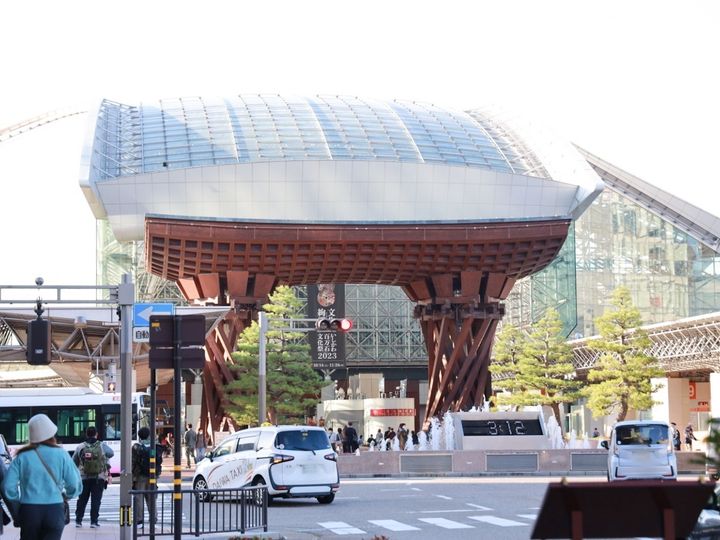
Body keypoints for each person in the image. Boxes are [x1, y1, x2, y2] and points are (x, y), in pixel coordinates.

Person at [2, 413, 82, 540]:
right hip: (55, 510)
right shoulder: (62, 454)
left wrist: (17, 506)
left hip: (29, 511)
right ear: (52, 433)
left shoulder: (22, 456)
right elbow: (75, 484)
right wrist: (67, 496)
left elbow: (8, 487)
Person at [71, 425, 114, 528]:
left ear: (86, 434)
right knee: (96, 501)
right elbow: (111, 453)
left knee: (82, 500)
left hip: (84, 477)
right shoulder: (102, 445)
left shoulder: (80, 446)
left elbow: (74, 462)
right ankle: (94, 522)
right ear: (96, 434)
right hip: (98, 478)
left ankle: (78, 521)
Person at [132, 427, 163, 526]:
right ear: (149, 435)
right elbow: (159, 460)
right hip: (153, 476)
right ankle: (153, 519)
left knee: (139, 498)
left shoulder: (137, 447)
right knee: (151, 498)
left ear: (139, 436)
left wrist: (132, 476)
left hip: (140, 475)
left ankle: (139, 520)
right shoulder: (155, 446)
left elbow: (133, 462)